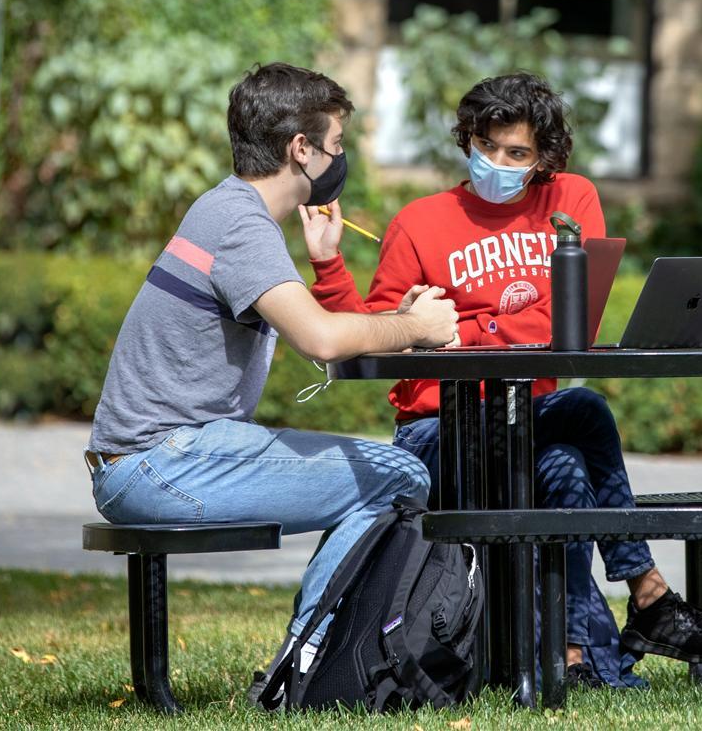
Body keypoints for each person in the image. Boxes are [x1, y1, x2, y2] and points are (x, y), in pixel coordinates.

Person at [305, 72, 702, 688]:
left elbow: (570, 317)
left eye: (517, 154)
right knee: (586, 413)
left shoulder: (569, 202)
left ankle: (568, 656)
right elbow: (382, 333)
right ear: (468, 139)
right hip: (439, 430)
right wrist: (330, 264)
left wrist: (466, 323)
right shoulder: (420, 222)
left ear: (544, 159)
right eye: (486, 146)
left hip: (529, 423)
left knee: (566, 462)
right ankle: (646, 596)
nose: (498, 163)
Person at [85, 62, 458, 706]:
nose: (340, 160)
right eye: (336, 146)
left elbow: (321, 335)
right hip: (163, 464)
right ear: (301, 150)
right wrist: (416, 325)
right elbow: (322, 340)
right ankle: (306, 662)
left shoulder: (224, 209)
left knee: (390, 475)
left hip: (153, 460)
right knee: (400, 475)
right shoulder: (242, 226)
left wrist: (344, 277)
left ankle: (327, 651)